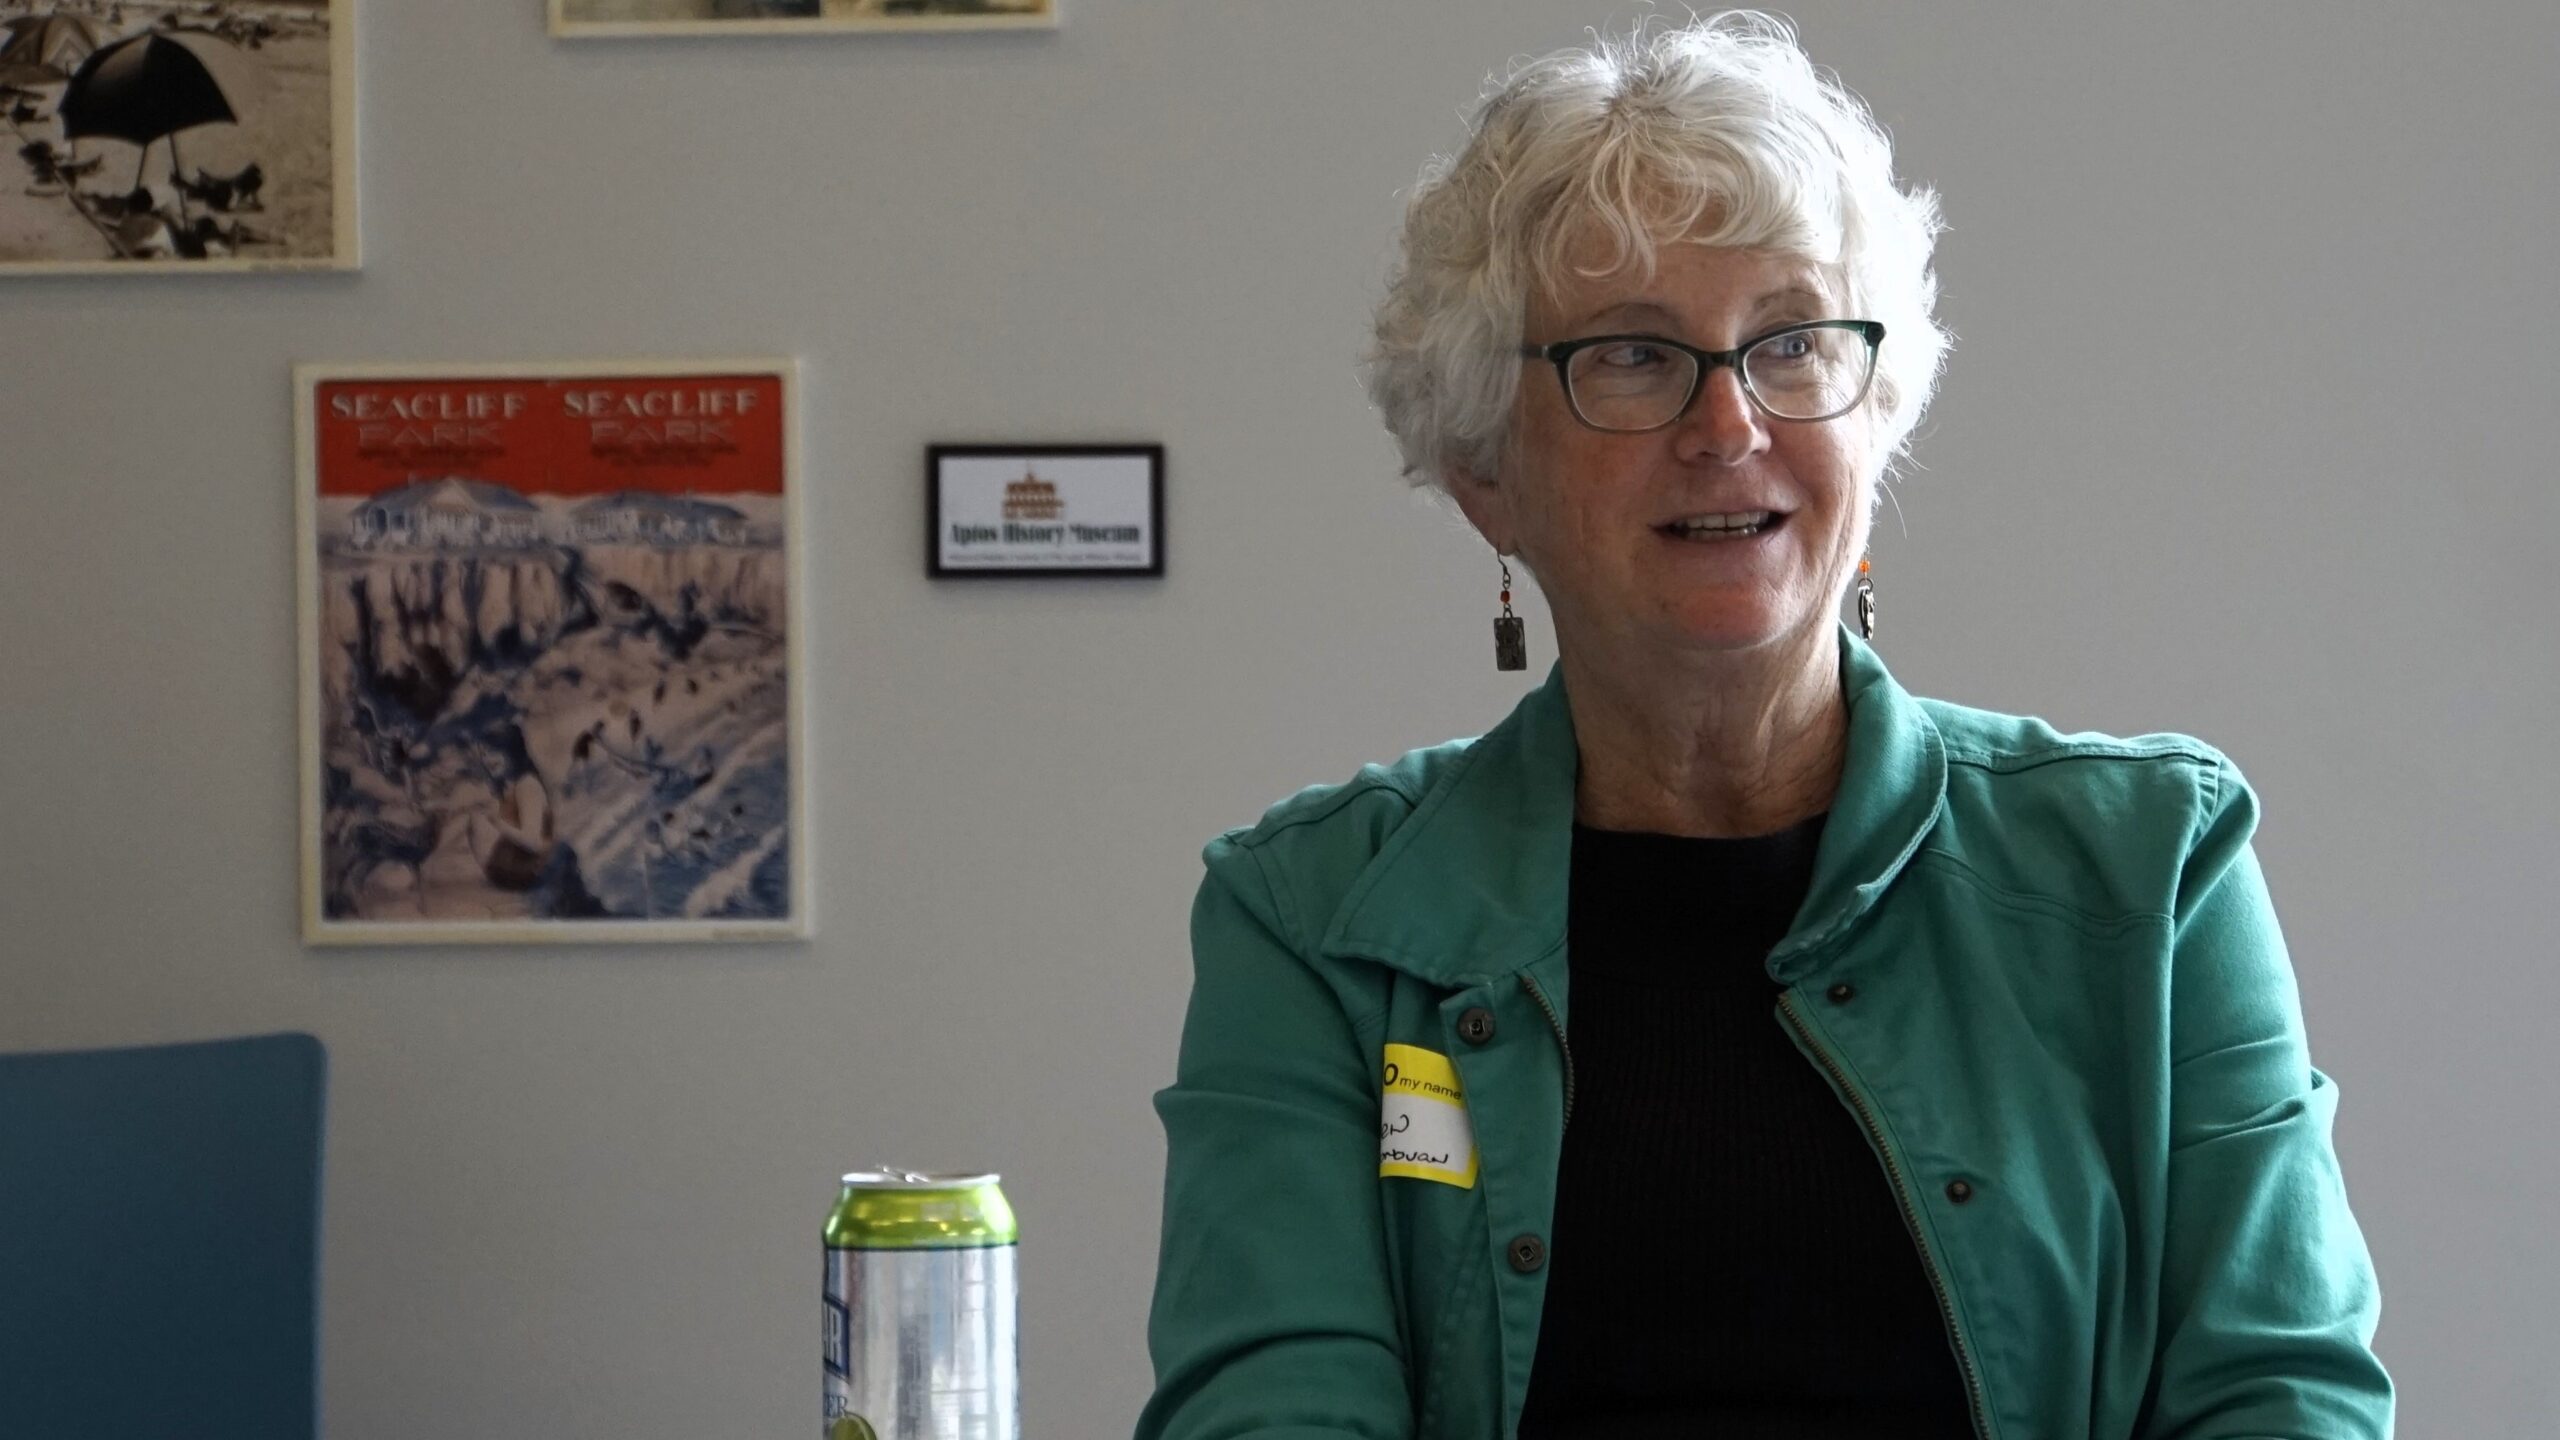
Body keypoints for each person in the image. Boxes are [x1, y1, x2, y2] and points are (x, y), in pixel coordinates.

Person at [1136, 13, 2392, 1440]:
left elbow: (2281, 1400)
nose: (1729, 423)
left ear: (1874, 419)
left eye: (1792, 345)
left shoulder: (2152, 870)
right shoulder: (1318, 924)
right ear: (1486, 469)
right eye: (1630, 357)